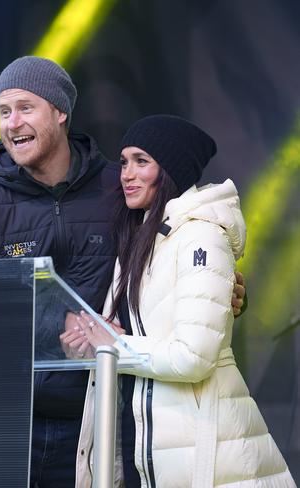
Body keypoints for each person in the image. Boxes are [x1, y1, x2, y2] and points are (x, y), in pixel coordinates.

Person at [0, 57, 246, 487]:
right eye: (4, 112)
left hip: (104, 416)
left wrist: (223, 289)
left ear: (61, 111)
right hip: (8, 419)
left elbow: (170, 263)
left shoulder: (118, 189)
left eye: (25, 108)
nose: (12, 123)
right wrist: (59, 323)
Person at [70, 115, 294, 487]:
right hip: (162, 455)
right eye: (124, 162)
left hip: (215, 457)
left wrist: (112, 346)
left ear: (170, 169)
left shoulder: (201, 237)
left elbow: (193, 356)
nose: (126, 173)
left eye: (142, 161)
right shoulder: (143, 237)